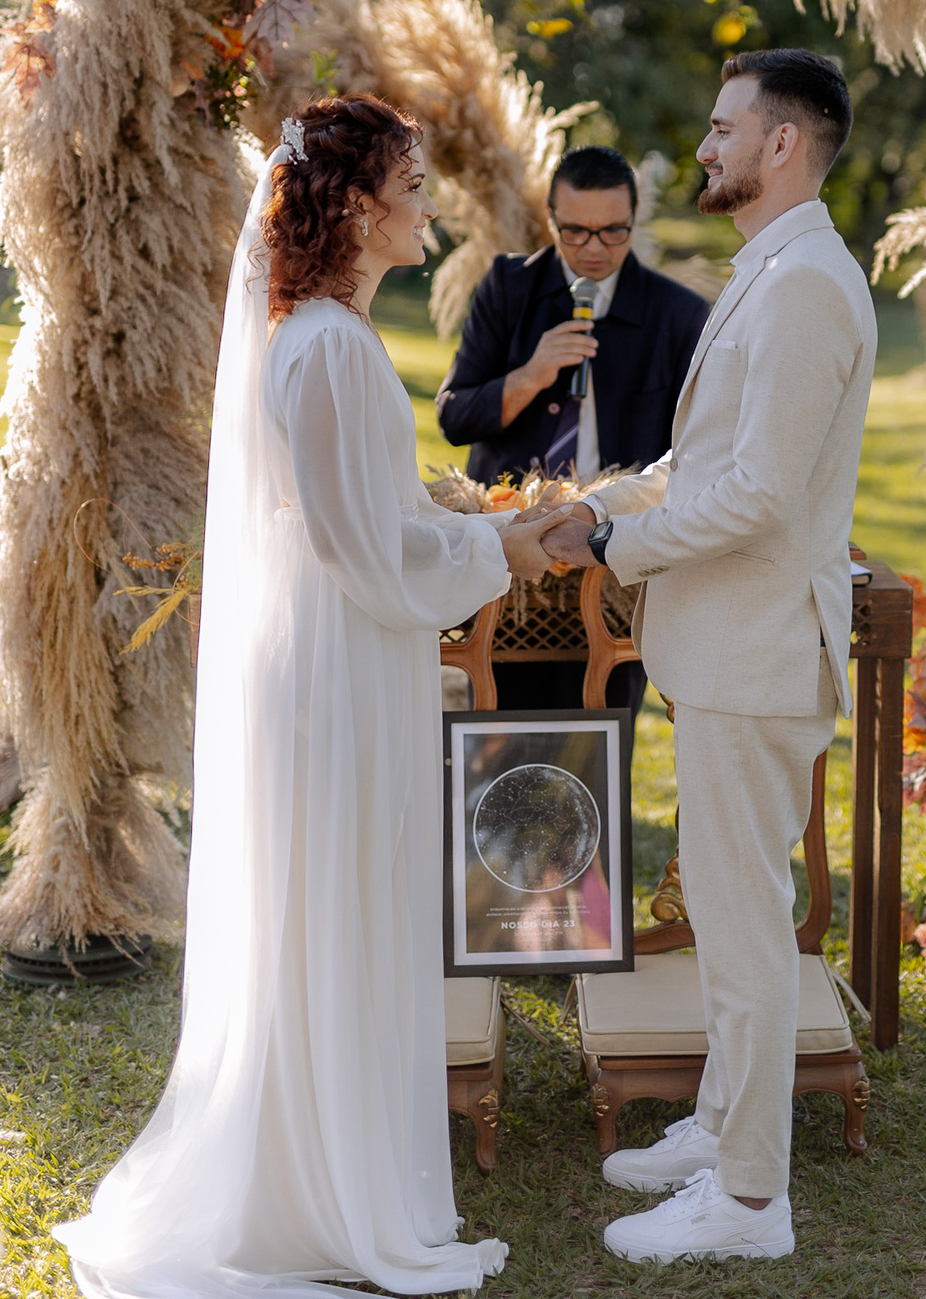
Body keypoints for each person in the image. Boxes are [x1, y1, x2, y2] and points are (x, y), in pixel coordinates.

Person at [54, 95, 553, 1299]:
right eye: (410, 183)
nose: (426, 203)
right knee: (335, 908)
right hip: (334, 665)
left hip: (345, 654)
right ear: (355, 206)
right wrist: (507, 553)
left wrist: (450, 520)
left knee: (342, 906)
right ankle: (325, 1203)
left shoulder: (328, 336)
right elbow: (353, 549)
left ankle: (330, 1176)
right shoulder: (325, 345)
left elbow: (357, 519)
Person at [537, 50, 877, 1265]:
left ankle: (746, 1203)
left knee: (742, 932)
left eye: (727, 126)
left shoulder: (804, 290)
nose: (710, 143)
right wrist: (606, 497)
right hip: (725, 653)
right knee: (739, 915)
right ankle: (722, 1128)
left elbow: (761, 500)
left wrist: (615, 541)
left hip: (756, 656)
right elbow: (706, 460)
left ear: (783, 144)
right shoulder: (772, 272)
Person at [436, 144, 709, 714]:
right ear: (551, 218)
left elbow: (692, 452)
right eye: (575, 232)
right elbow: (455, 416)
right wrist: (530, 376)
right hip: (514, 547)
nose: (593, 250)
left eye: (613, 232)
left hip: (616, 560)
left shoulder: (676, 314)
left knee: (606, 726)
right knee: (505, 723)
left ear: (634, 220)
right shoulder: (510, 288)